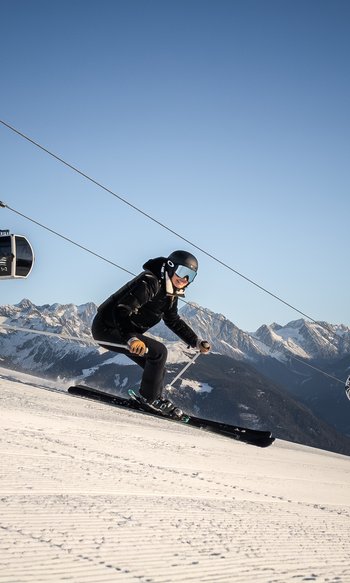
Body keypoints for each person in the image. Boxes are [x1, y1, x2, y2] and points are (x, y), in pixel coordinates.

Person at [91, 250, 211, 414]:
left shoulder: (170, 291)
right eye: (183, 272)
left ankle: (153, 398)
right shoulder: (150, 282)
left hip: (124, 331)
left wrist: (195, 342)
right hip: (108, 327)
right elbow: (122, 310)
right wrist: (131, 339)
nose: (185, 279)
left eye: (191, 275)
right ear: (171, 267)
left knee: (157, 366)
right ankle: (150, 399)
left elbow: (172, 320)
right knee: (159, 352)